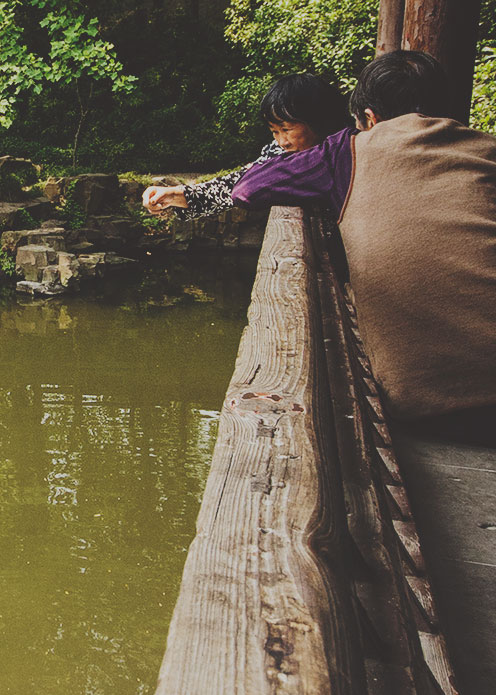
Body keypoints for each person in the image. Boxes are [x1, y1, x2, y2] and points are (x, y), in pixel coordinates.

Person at [150, 51, 496, 421]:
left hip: (428, 406)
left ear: (370, 118)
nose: (281, 141)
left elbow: (249, 188)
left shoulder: (346, 152)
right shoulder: (486, 151)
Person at [142, 73, 350, 220]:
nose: (281, 141)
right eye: (274, 131)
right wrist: (173, 195)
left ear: (318, 121)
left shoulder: (338, 153)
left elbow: (246, 189)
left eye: (286, 129)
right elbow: (233, 184)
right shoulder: (278, 151)